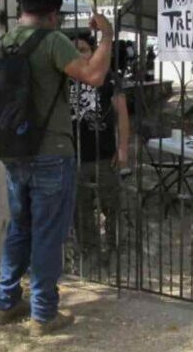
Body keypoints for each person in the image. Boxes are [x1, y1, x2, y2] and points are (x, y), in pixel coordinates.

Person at [0, 0, 113, 336]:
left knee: (20, 227)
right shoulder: (52, 40)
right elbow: (94, 76)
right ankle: (44, 314)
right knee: (48, 233)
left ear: (22, 11)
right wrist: (108, 37)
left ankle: (5, 303)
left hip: (13, 155)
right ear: (53, 15)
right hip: (53, 154)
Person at [66, 31, 130, 257]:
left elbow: (121, 115)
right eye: (73, 49)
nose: (78, 54)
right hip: (74, 157)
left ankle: (115, 248)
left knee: (112, 205)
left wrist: (122, 148)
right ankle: (90, 252)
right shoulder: (61, 77)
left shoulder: (108, 78)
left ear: (93, 52)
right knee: (80, 209)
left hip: (104, 155)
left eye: (83, 49)